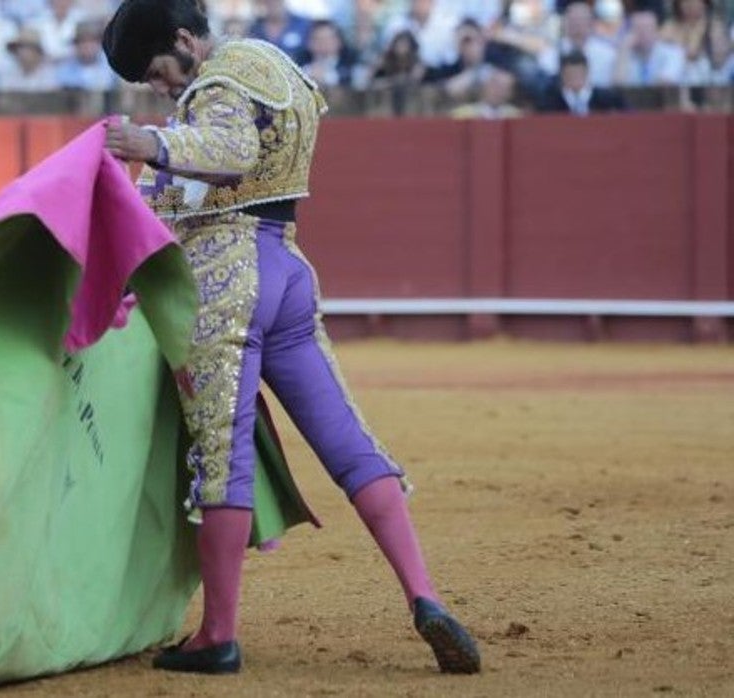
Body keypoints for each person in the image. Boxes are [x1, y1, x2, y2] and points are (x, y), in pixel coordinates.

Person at [101, 0, 480, 677]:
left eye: (158, 69)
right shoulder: (271, 63)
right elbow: (219, 178)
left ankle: (217, 636)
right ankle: (426, 597)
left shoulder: (216, 83)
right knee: (349, 442)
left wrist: (150, 144)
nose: (160, 86)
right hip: (288, 269)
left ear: (186, 40)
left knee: (223, 457)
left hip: (227, 280)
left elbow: (230, 152)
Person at [537, 49, 626, 114]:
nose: (575, 79)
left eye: (578, 74)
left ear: (586, 73)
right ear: (562, 76)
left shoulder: (608, 99)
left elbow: (630, 115)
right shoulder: (549, 103)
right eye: (570, 75)